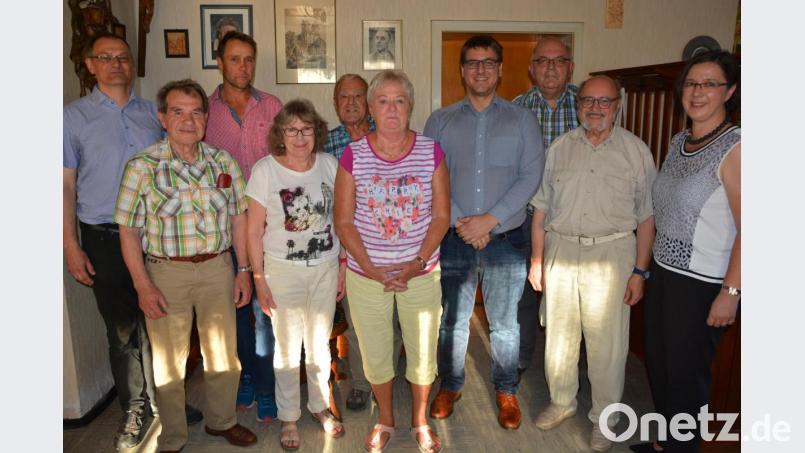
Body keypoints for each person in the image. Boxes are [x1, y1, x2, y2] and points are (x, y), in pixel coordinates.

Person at [115, 79, 257, 452]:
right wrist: (143, 285)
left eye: (196, 112)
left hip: (217, 268)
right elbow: (128, 232)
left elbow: (240, 218)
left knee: (224, 353)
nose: (188, 120)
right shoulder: (142, 166)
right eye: (178, 111)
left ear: (206, 119)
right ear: (163, 117)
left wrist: (243, 269)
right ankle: (173, 435)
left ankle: (222, 420)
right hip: (166, 273)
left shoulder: (222, 162)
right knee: (168, 361)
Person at [528, 75, 657, 452]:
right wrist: (537, 260)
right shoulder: (559, 148)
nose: (595, 108)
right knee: (559, 337)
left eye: (604, 101)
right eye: (587, 101)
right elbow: (541, 211)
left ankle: (605, 417)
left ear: (617, 105)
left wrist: (640, 270)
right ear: (577, 104)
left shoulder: (636, 151)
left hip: (613, 254)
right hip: (561, 249)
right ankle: (562, 401)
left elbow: (647, 219)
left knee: (608, 344)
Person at [424, 35, 544, 431]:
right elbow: (432, 176)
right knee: (453, 320)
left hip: (506, 240)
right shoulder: (439, 121)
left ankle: (506, 389)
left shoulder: (522, 120)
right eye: (473, 62)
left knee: (505, 322)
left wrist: (489, 220)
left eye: (488, 63)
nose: (480, 69)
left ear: (500, 69)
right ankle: (451, 385)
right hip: (455, 239)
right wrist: (464, 222)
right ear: (462, 70)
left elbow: (530, 177)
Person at [335, 69, 450, 453]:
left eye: (400, 100)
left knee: (422, 351)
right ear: (370, 108)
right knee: (376, 352)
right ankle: (385, 417)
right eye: (383, 101)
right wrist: (371, 269)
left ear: (411, 107)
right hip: (367, 275)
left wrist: (416, 263)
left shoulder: (430, 150)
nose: (392, 108)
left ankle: (419, 419)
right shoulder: (353, 154)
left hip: (420, 272)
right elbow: (344, 220)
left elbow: (440, 217)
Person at [636, 50, 740, 453]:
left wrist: (730, 293)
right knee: (660, 367)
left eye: (710, 84)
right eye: (691, 83)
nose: (698, 92)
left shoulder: (736, 148)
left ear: (728, 91)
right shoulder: (681, 140)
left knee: (686, 378)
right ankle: (666, 444)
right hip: (666, 273)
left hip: (704, 284)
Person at [63, 32, 161, 451]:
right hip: (103, 236)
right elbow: (64, 187)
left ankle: (165, 399)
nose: (116, 63)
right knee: (122, 330)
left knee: (162, 324)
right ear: (89, 65)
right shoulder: (71, 118)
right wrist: (70, 245)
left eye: (122, 56)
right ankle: (136, 409)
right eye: (106, 57)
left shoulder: (154, 113)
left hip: (157, 236)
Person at [246, 99, 346, 451]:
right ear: (280, 134)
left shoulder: (330, 165)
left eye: (307, 128)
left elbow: (341, 220)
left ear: (317, 131)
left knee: (320, 345)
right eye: (292, 129)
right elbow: (253, 229)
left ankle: (319, 407)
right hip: (281, 271)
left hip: (325, 267)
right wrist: (258, 278)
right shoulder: (265, 170)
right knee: (287, 349)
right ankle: (289, 417)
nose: (300, 136)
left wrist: (344, 264)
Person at [203, 31, 284, 423]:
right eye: (234, 59)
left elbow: (286, 164)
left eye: (249, 59)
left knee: (264, 310)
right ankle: (247, 375)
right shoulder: (203, 111)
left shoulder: (272, 106)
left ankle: (267, 387)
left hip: (268, 229)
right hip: (223, 230)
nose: (243, 67)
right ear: (219, 62)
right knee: (236, 310)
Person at [323, 74, 403, 412]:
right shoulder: (324, 145)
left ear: (369, 102)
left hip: (390, 241)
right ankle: (359, 382)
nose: (351, 103)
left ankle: (386, 374)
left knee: (394, 318)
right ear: (335, 103)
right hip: (346, 243)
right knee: (358, 320)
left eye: (358, 96)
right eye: (344, 97)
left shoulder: (389, 136)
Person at [512, 36, 580, 378]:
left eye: (558, 61)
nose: (551, 68)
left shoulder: (590, 104)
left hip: (574, 221)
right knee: (524, 292)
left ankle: (567, 365)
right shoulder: (516, 108)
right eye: (543, 61)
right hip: (526, 218)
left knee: (571, 297)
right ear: (531, 68)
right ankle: (523, 356)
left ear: (570, 67)